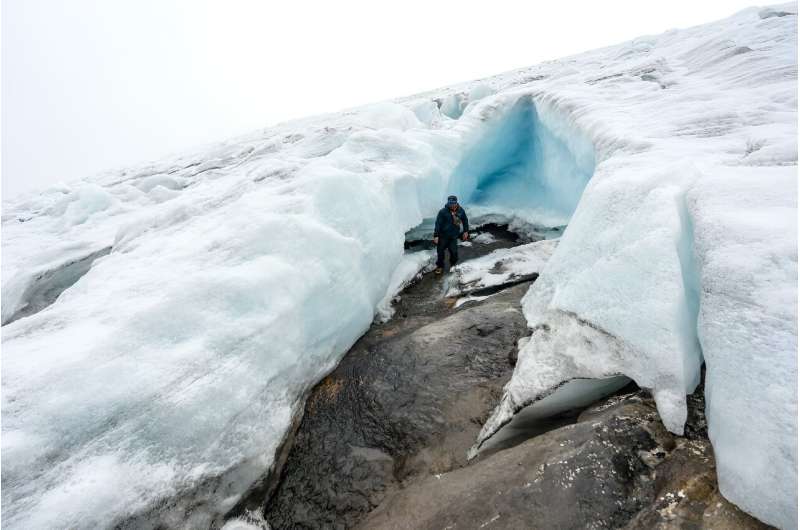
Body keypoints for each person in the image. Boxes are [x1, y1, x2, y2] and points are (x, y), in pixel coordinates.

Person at [433, 195, 469, 274]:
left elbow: (465, 220)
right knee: (440, 252)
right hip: (443, 236)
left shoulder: (461, 210)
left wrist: (466, 231)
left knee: (454, 252)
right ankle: (440, 266)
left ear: (456, 202)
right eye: (450, 203)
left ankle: (453, 264)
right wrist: (436, 235)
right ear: (448, 202)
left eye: (453, 203)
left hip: (453, 236)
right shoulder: (443, 212)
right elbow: (438, 224)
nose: (452, 205)